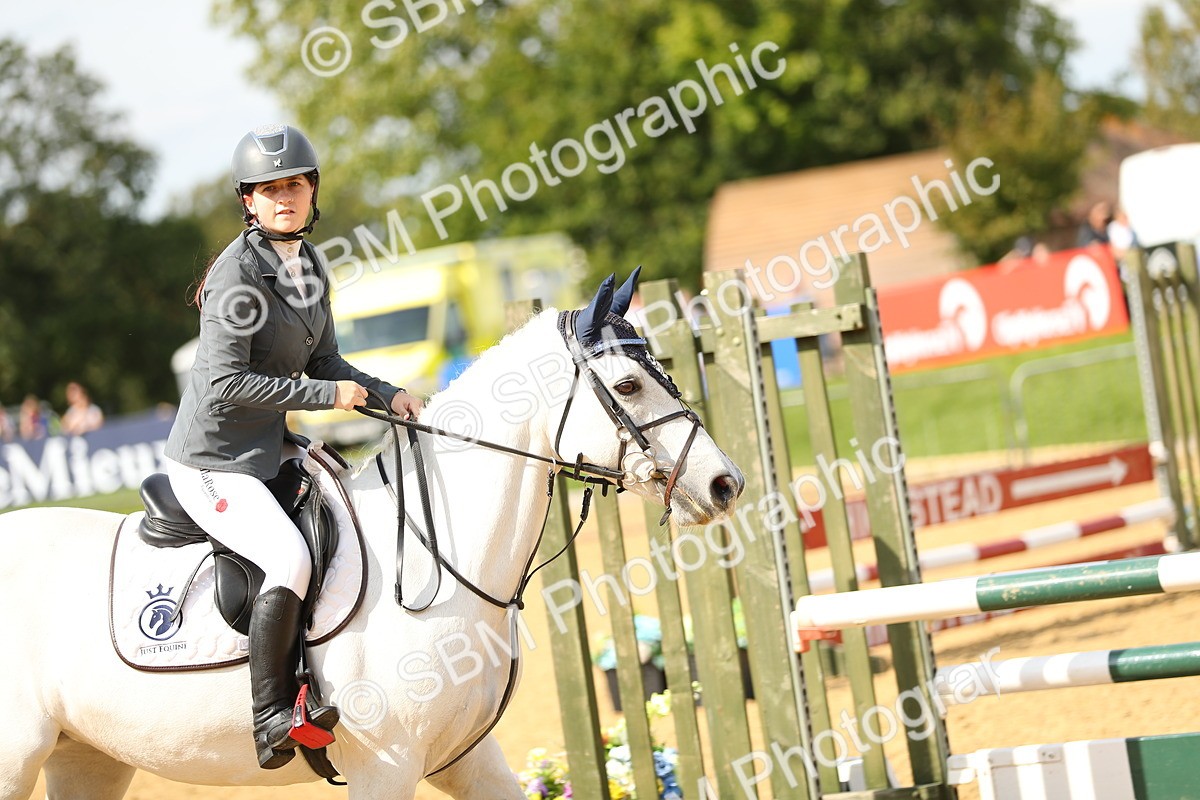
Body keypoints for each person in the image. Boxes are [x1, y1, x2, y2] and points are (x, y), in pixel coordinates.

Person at [163, 124, 423, 770]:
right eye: (269, 188)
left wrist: (389, 395)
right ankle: (273, 716)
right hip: (213, 460)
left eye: (294, 185)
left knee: (350, 510)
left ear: (312, 192)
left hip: (268, 446)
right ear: (248, 200)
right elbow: (224, 383)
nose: (284, 197)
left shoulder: (308, 264)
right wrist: (319, 397)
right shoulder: (237, 276)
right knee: (288, 556)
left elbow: (327, 359)